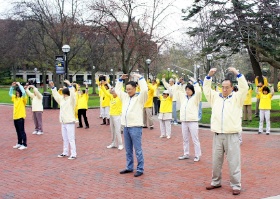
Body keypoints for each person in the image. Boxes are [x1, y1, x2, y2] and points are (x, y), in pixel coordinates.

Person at [203, 67, 248, 196]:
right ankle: (215, 182)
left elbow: (244, 87)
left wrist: (238, 74)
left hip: (232, 135)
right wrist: (209, 76)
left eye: (227, 87)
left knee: (234, 161)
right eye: (222, 87)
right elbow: (206, 90)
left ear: (232, 88)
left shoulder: (237, 98)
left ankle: (236, 185)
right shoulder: (215, 98)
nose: (224, 89)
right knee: (216, 161)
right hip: (217, 135)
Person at [115, 73, 148, 177]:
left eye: (130, 89)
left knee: (137, 149)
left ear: (135, 88)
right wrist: (120, 80)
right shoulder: (125, 97)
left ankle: (140, 168)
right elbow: (117, 91)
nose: (128, 91)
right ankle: (129, 167)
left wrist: (141, 78)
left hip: (135, 127)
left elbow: (145, 90)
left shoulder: (140, 98)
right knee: (128, 149)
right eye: (127, 89)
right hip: (126, 126)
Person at [50, 80, 77, 160]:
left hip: (70, 121)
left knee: (71, 138)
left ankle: (73, 154)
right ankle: (65, 152)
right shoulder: (62, 99)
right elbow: (56, 96)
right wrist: (53, 88)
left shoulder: (71, 100)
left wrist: (69, 85)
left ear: (66, 94)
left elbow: (73, 95)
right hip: (63, 122)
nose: (62, 94)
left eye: (63, 93)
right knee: (65, 138)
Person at [177, 77, 202, 162]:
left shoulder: (196, 98)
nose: (187, 91)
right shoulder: (183, 98)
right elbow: (178, 91)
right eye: (186, 89)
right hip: (184, 121)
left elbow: (199, 91)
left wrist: (195, 82)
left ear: (192, 90)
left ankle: (197, 155)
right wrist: (178, 82)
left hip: (193, 121)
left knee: (195, 139)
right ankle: (186, 153)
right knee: (185, 138)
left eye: (189, 90)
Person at [101, 83, 123, 150]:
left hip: (117, 115)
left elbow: (120, 89)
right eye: (112, 92)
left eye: (114, 92)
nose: (112, 93)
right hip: (111, 115)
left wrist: (118, 84)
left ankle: (120, 144)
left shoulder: (120, 97)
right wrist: (102, 85)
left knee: (118, 130)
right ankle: (113, 143)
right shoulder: (111, 97)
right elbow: (105, 91)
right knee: (112, 130)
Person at [9, 82, 28, 150]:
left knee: (22, 131)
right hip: (15, 117)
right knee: (17, 131)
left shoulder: (22, 99)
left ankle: (24, 144)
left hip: (20, 117)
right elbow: (10, 94)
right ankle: (19, 143)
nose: (17, 94)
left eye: (18, 93)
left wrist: (20, 85)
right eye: (16, 93)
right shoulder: (15, 98)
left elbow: (23, 92)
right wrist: (12, 86)